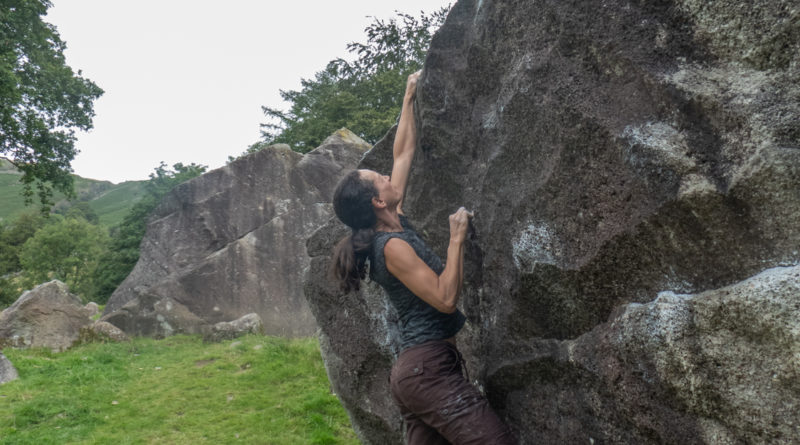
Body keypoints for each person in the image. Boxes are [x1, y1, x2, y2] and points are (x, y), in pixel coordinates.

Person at [330, 71, 515, 445]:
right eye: (379, 177)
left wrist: (408, 95)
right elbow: (445, 300)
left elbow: (403, 152)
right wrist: (456, 239)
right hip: (428, 372)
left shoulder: (395, 222)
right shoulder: (392, 247)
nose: (386, 174)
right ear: (377, 202)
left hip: (417, 374)